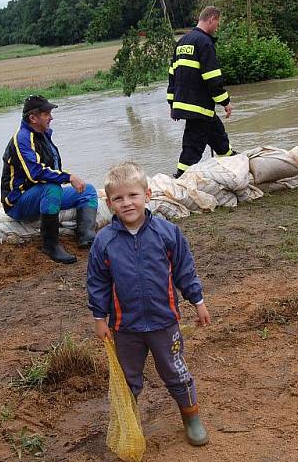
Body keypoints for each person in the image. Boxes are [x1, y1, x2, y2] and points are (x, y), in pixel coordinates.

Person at [87, 161, 212, 446]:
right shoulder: (104, 241)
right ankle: (130, 425)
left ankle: (191, 418)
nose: (127, 203)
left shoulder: (167, 233)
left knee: (175, 371)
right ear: (109, 203)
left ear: (148, 194)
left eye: (133, 195)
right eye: (118, 198)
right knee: (128, 379)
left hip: (164, 323)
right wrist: (99, 318)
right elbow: (98, 282)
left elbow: (184, 270)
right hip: (125, 327)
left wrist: (198, 301)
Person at [0, 95, 98, 264]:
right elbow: (36, 173)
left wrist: (68, 179)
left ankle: (86, 235)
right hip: (19, 203)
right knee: (52, 188)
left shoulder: (43, 135)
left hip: (41, 195)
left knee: (87, 190)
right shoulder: (22, 139)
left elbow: (52, 168)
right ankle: (51, 244)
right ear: (33, 118)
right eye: (46, 114)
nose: (51, 117)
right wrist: (69, 177)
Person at [167, 6, 236, 178]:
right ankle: (181, 178)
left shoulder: (182, 42)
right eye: (217, 23)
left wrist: (172, 104)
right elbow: (212, 77)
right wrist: (225, 102)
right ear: (211, 19)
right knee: (193, 146)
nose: (217, 27)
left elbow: (172, 75)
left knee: (218, 136)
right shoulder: (204, 42)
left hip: (190, 105)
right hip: (198, 105)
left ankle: (230, 161)